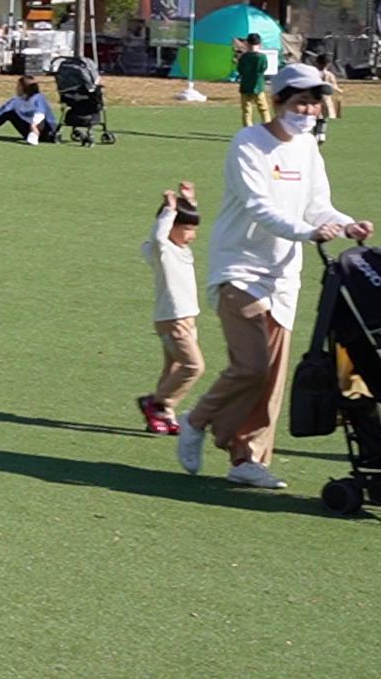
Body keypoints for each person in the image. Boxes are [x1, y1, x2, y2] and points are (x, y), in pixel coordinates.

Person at [176, 63, 374, 489]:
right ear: (279, 99)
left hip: (284, 274)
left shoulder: (307, 148)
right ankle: (196, 421)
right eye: (301, 100)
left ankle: (248, 459)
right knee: (252, 365)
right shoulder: (248, 144)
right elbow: (258, 207)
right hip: (239, 269)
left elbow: (318, 206)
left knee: (274, 374)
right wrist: (308, 232)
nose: (309, 109)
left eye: (315, 101)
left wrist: (347, 223)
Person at [138, 182, 204, 435]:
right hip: (172, 319)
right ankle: (156, 403)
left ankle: (164, 415)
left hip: (187, 318)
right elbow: (158, 236)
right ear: (171, 227)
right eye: (186, 229)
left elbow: (186, 222)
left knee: (173, 369)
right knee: (193, 367)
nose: (192, 235)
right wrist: (170, 210)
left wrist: (191, 202)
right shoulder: (163, 250)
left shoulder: (180, 249)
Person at [0, 75, 57, 145]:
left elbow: (40, 113)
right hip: (29, 130)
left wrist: (33, 126)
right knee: (9, 113)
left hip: (46, 132)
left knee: (40, 118)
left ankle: (34, 136)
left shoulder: (39, 98)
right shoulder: (16, 99)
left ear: (25, 87)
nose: (16, 88)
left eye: (18, 86)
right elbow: (2, 110)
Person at [236, 32, 270, 126]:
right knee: (263, 109)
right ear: (259, 44)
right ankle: (268, 128)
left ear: (247, 44)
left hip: (245, 86)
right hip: (258, 86)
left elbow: (240, 70)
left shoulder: (243, 57)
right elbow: (263, 69)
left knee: (247, 111)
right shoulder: (262, 57)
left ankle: (248, 130)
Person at [310, 53, 338, 143]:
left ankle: (315, 134)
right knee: (324, 118)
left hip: (314, 99)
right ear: (328, 64)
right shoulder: (329, 75)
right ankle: (321, 133)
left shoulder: (313, 73)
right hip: (326, 100)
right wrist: (340, 90)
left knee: (314, 117)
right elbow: (334, 86)